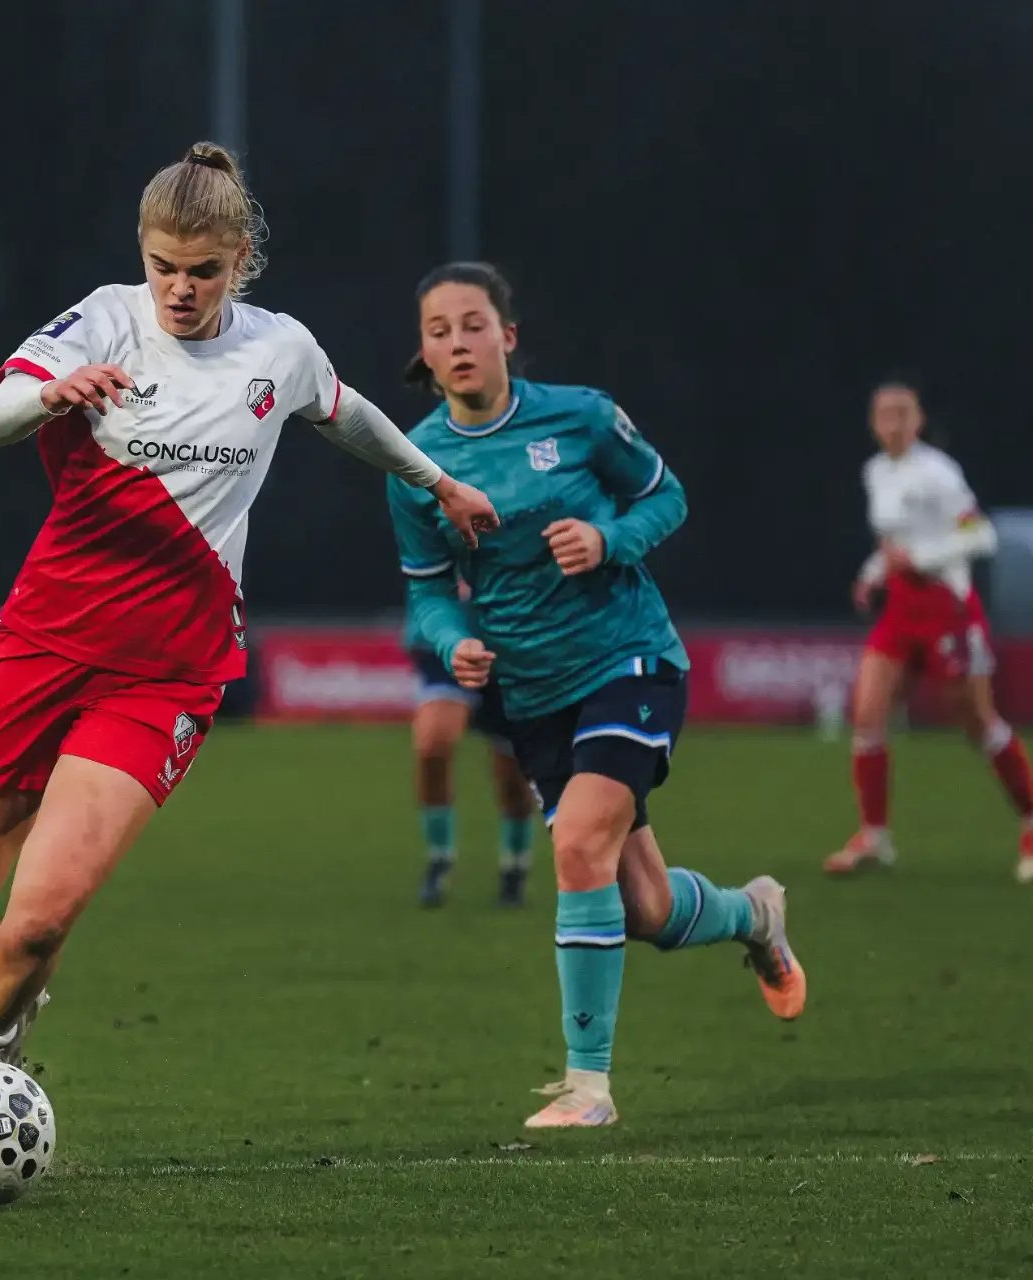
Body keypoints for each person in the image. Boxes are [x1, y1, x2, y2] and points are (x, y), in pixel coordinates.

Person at [0, 142, 499, 1179]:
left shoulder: (280, 350)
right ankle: (1, 1013)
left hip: (167, 675)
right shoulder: (103, 321)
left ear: (241, 261)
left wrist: (438, 481)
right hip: (41, 646)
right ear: (142, 254)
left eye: (203, 270)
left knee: (39, 918)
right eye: (164, 266)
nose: (181, 288)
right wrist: (54, 393)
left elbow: (347, 413)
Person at [388, 262, 806, 1129]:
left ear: (507, 336)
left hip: (628, 661)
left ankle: (588, 1088)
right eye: (438, 330)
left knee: (579, 844)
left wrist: (608, 538)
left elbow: (665, 497)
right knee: (645, 909)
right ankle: (755, 914)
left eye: (473, 324)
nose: (457, 343)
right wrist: (452, 641)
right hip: (533, 694)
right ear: (423, 352)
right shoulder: (414, 464)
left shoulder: (579, 417)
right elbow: (426, 589)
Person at [824, 380, 1033, 882]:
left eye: (903, 413)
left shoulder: (939, 472)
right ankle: (875, 837)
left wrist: (919, 558)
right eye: (885, 414)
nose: (894, 423)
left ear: (918, 420)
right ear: (873, 423)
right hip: (902, 607)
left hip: (946, 605)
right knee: (868, 714)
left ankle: (1030, 818)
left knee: (977, 722)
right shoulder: (876, 472)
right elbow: (893, 543)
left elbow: (979, 534)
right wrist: (873, 573)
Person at [406, 582, 537, 907]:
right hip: (447, 641)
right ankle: (439, 859)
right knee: (433, 745)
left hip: (510, 647)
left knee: (514, 776)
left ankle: (515, 865)